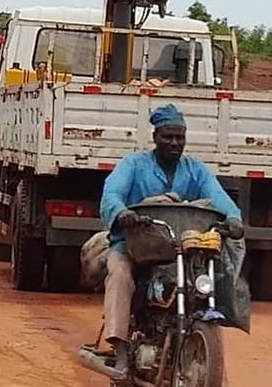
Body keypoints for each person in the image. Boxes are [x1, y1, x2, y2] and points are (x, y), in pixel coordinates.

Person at [99, 104, 243, 379]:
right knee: (119, 274)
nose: (174, 143)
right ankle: (119, 351)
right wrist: (122, 213)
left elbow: (217, 195)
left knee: (217, 274)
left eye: (179, 137)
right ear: (155, 137)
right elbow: (112, 193)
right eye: (168, 136)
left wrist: (234, 218)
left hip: (183, 249)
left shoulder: (195, 169)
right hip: (135, 245)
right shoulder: (134, 164)